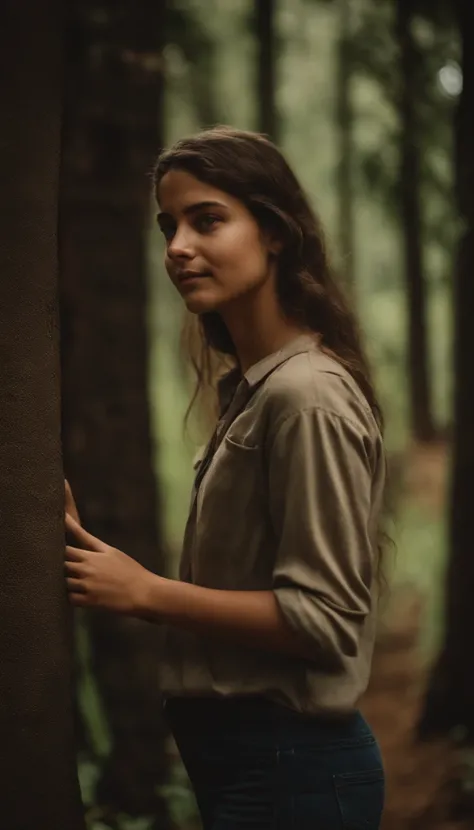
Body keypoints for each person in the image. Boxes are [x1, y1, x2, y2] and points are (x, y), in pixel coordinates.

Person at [65, 126, 386, 829]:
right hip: (254, 768)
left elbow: (324, 619)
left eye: (207, 219)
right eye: (168, 226)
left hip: (291, 772)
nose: (177, 247)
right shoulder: (259, 389)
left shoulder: (306, 395)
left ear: (274, 231)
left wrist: (146, 592)